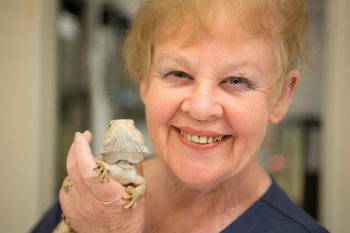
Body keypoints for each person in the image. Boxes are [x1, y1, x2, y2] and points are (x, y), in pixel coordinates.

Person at [32, 0, 329, 232]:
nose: (200, 108)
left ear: (281, 96)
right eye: (178, 73)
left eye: (237, 80)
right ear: (144, 80)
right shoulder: (92, 199)